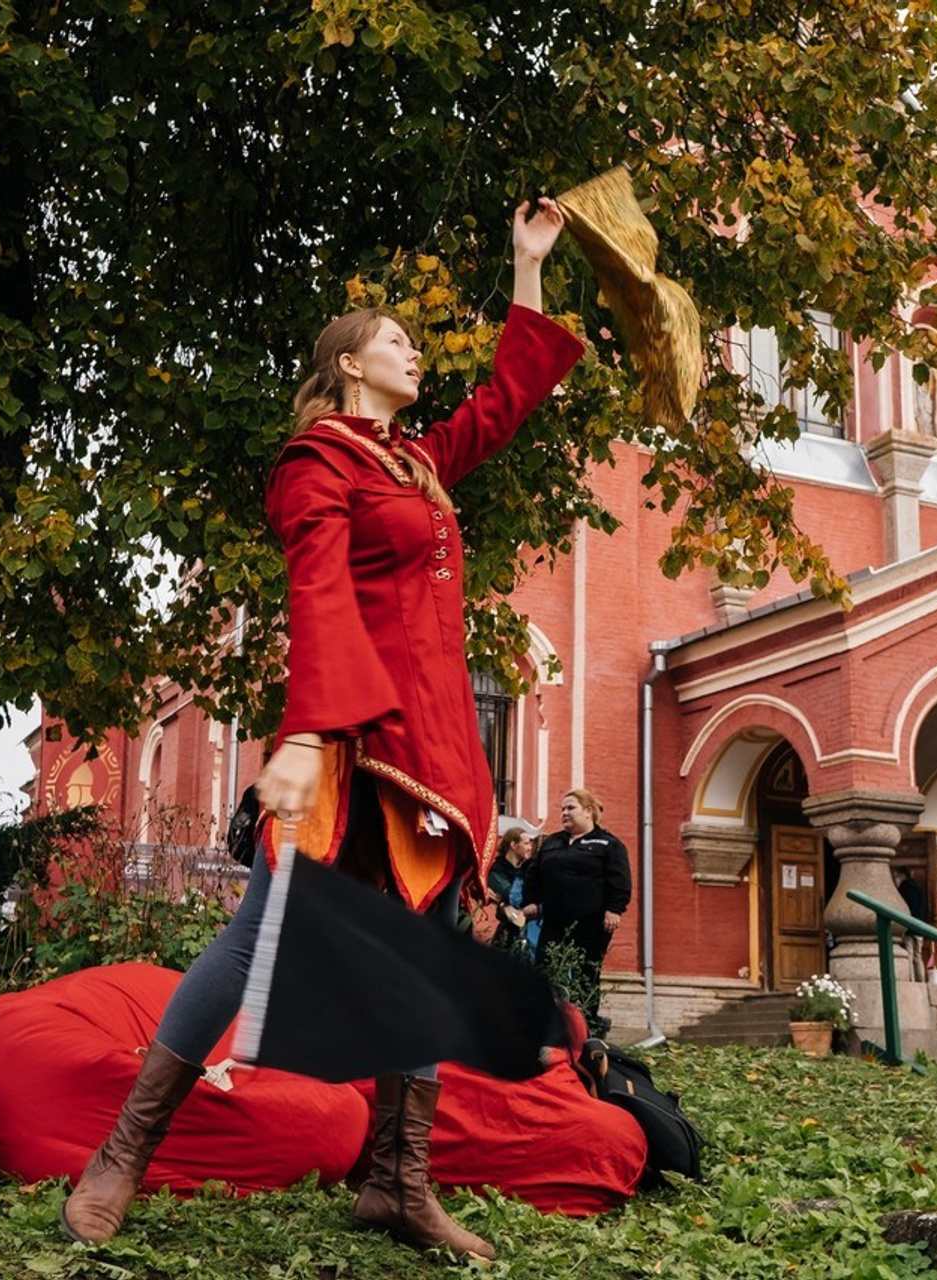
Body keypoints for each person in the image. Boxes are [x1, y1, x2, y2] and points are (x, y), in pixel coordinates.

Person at [60, 198, 583, 1262]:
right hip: (352, 737)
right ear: (349, 364)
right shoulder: (317, 460)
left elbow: (505, 399)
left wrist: (526, 267)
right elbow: (319, 593)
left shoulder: (416, 461)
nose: (412, 354)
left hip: (434, 749)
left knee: (424, 947)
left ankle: (398, 1180)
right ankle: (122, 1150)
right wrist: (305, 733)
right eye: (395, 341)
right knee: (263, 927)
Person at [522, 789, 631, 1035]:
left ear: (588, 811)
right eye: (562, 809)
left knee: (586, 972)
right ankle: (545, 1023)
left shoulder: (608, 844)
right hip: (554, 920)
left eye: (570, 808)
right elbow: (533, 873)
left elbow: (620, 879)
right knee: (545, 968)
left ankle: (586, 1027)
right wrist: (531, 901)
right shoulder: (552, 842)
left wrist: (614, 909)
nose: (564, 813)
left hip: (591, 923)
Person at [487, 826, 540, 960]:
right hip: (509, 929)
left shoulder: (527, 869)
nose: (530, 848)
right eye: (526, 843)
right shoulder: (497, 870)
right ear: (513, 845)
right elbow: (510, 894)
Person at [892, 865, 927, 980]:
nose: (895, 879)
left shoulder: (904, 888)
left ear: (901, 876)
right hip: (919, 926)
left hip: (908, 928)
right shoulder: (919, 887)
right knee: (918, 957)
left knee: (908, 955)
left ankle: (911, 981)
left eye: (896, 876)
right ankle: (921, 981)